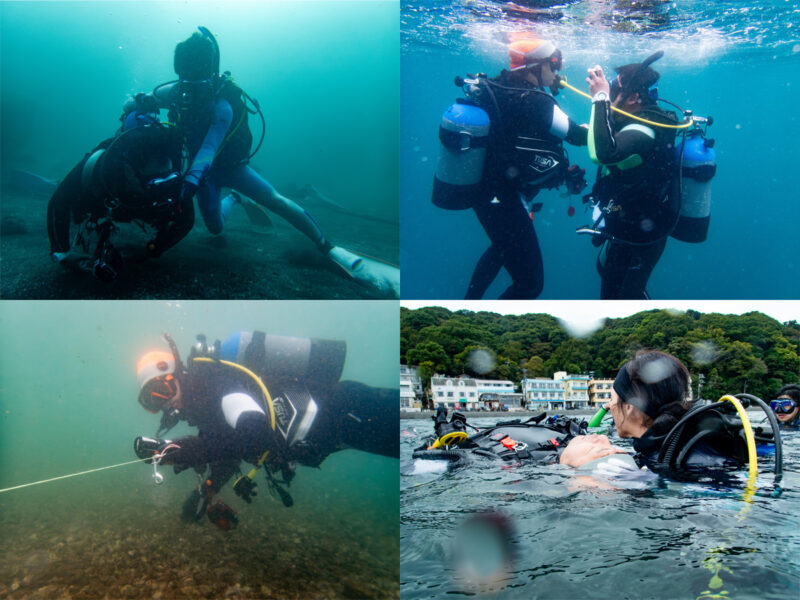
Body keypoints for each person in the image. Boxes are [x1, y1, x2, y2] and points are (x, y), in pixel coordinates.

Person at [125, 27, 379, 288]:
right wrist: (135, 105)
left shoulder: (222, 105)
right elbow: (140, 102)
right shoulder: (177, 92)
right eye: (184, 77)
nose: (189, 88)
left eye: (196, 79)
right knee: (214, 228)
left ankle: (327, 246)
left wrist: (190, 183)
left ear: (209, 72)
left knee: (274, 200)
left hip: (232, 168)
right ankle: (234, 199)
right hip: (205, 174)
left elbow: (209, 148)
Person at [133, 331, 398, 528]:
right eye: (153, 400)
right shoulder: (205, 409)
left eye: (163, 390)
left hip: (347, 410)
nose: (166, 401)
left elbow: (255, 434)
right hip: (338, 430)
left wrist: (181, 450)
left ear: (176, 373)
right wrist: (207, 490)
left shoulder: (218, 386)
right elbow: (228, 450)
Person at [442, 38, 588, 299]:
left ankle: (470, 303)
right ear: (535, 65)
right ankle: (476, 322)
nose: (557, 72)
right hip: (504, 198)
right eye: (554, 64)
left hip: (484, 190)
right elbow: (577, 136)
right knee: (530, 284)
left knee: (500, 248)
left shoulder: (499, 85)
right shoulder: (536, 101)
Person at [47, 115, 192, 282]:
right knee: (75, 200)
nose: (158, 180)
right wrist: (63, 254)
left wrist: (153, 248)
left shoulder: (170, 180)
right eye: (150, 168)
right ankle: (54, 183)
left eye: (163, 168)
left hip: (132, 203)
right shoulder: (103, 168)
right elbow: (59, 201)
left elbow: (186, 219)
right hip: (107, 198)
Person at [583, 52, 680, 299]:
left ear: (634, 98)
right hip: (628, 225)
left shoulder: (642, 129)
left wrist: (600, 98)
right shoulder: (637, 123)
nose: (613, 97)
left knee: (627, 297)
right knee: (610, 288)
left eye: (616, 92)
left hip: (643, 234)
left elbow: (603, 154)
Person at [605, 351, 749, 472]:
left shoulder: (692, 461)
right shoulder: (677, 448)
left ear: (630, 407)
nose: (610, 405)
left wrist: (637, 484)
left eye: (612, 399)